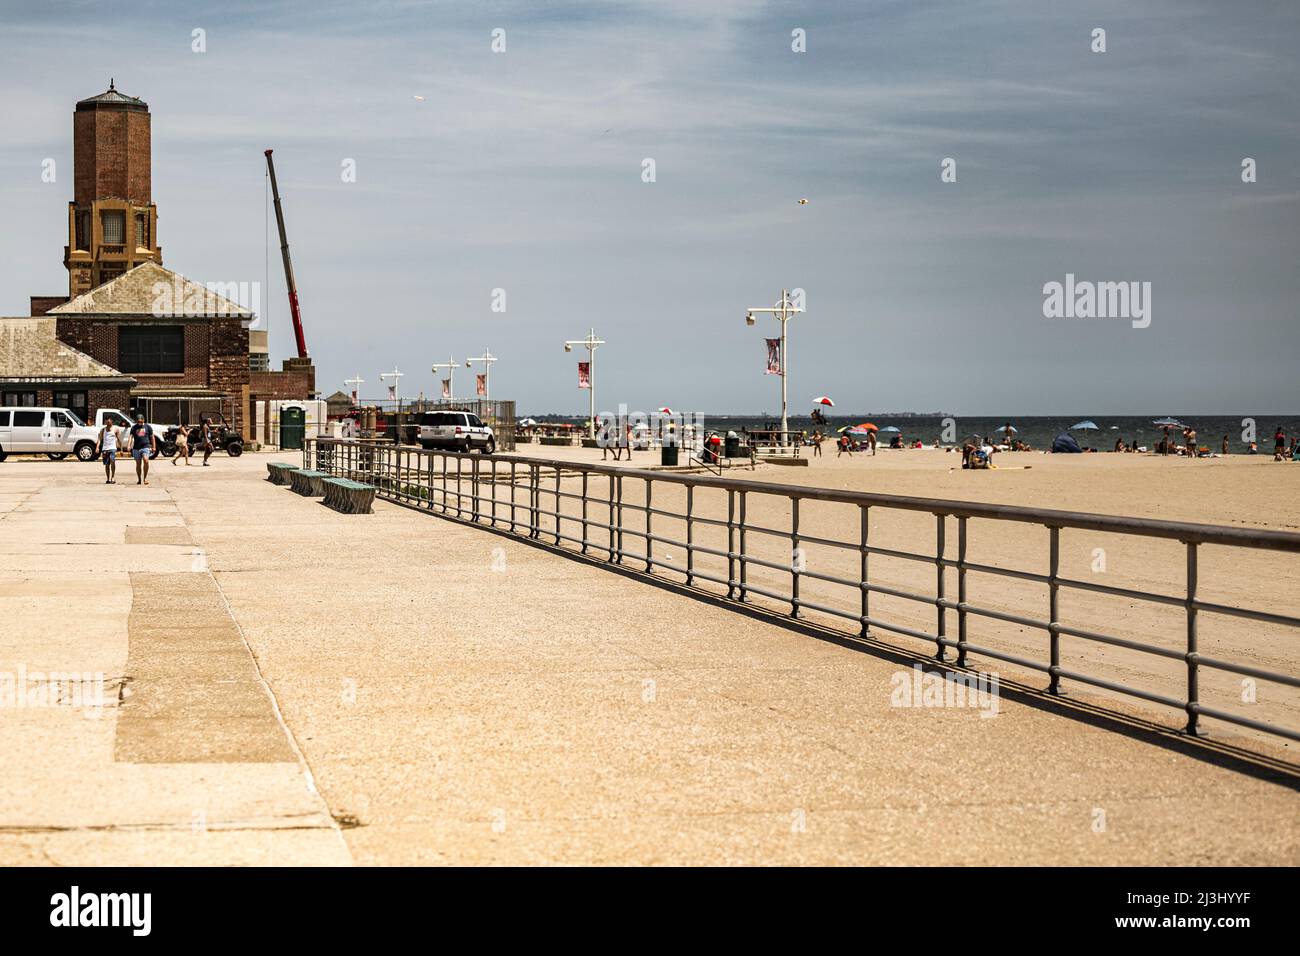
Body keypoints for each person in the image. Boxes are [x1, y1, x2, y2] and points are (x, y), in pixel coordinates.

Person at [127, 413, 156, 485]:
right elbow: (131, 437)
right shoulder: (134, 428)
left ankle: (145, 478)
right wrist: (128, 445)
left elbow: (152, 437)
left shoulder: (148, 427)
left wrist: (154, 446)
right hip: (136, 448)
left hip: (145, 447)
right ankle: (139, 479)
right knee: (138, 464)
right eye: (138, 421)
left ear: (143, 420)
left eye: (141, 421)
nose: (140, 422)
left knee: (146, 460)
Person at [96, 417, 121, 484]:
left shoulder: (116, 429)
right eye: (107, 422)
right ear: (105, 422)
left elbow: (118, 439)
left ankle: (113, 477)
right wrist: (97, 447)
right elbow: (99, 439)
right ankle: (108, 478)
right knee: (107, 464)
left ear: (112, 422)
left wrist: (121, 449)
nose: (108, 423)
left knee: (112, 461)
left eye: (109, 422)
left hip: (113, 448)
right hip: (105, 449)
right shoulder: (103, 430)